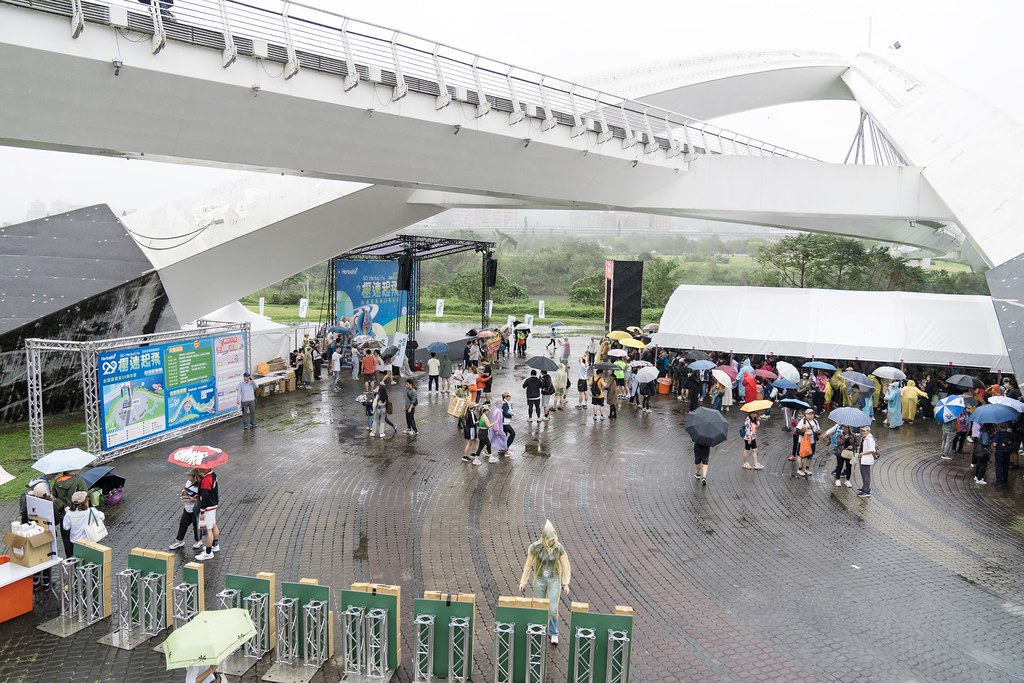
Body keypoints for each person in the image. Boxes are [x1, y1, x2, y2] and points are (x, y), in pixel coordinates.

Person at [518, 520, 571, 646]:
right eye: (549, 540)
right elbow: (528, 564)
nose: (552, 542)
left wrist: (565, 583)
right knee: (539, 605)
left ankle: (553, 632)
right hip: (540, 579)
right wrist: (523, 582)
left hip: (554, 579)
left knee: (553, 608)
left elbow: (565, 565)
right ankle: (539, 629)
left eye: (553, 539)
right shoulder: (536, 547)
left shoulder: (559, 548)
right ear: (544, 538)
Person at [52, 469, 88, 558]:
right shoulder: (78, 481)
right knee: (80, 538)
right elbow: (85, 495)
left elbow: (54, 495)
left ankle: (70, 559)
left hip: (63, 514)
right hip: (78, 514)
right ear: (71, 470)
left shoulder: (57, 481)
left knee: (66, 539)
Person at [169, 468, 204, 551]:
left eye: (189, 475)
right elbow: (186, 490)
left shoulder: (201, 485)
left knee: (196, 526)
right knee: (183, 524)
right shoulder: (188, 482)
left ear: (194, 476)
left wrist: (194, 500)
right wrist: (184, 493)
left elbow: (203, 498)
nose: (187, 476)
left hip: (196, 509)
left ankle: (198, 540)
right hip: (187, 508)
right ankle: (179, 540)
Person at [194, 467, 220, 561]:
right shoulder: (213, 475)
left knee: (208, 529)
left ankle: (208, 553)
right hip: (213, 504)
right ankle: (215, 545)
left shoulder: (206, 480)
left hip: (208, 507)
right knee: (213, 524)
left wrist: (202, 511)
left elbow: (204, 497)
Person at [793, 409, 821, 478]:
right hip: (803, 442)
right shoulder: (803, 421)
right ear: (806, 414)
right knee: (801, 455)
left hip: (812, 441)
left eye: (812, 414)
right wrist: (805, 433)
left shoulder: (815, 421)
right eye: (809, 414)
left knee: (810, 455)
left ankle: (807, 468)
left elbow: (818, 430)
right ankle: (800, 469)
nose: (811, 415)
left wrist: (818, 432)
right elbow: (797, 431)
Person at [857, 425, 877, 497]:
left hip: (866, 459)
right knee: (863, 474)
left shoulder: (870, 439)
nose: (863, 432)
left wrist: (862, 453)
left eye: (864, 431)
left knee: (866, 475)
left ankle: (867, 490)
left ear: (868, 431)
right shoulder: (864, 438)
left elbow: (872, 450)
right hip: (863, 459)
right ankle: (864, 487)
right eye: (862, 431)